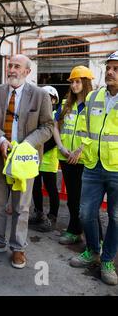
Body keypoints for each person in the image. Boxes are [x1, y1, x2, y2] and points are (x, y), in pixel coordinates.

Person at [0, 54, 53, 270]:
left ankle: (18, 247)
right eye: (9, 65)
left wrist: (25, 145)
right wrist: (1, 139)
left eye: (16, 66)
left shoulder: (40, 95)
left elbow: (48, 126)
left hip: (25, 161)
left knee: (21, 206)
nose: (11, 70)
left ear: (27, 72)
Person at [69, 51, 118, 286]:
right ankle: (92, 249)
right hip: (92, 165)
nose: (110, 72)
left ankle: (107, 260)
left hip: (117, 169)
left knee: (116, 217)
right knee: (85, 213)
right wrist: (83, 147)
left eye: (116, 69)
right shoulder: (93, 98)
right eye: (108, 67)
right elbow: (89, 130)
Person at [51, 66, 97, 245]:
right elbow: (55, 125)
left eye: (78, 82)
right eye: (72, 82)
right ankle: (74, 230)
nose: (74, 85)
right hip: (66, 157)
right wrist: (61, 147)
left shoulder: (93, 105)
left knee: (85, 202)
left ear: (86, 83)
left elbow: (95, 132)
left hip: (84, 159)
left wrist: (80, 151)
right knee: (71, 199)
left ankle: (95, 240)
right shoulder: (65, 104)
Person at [29, 85, 60, 232]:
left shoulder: (55, 116)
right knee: (35, 187)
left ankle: (52, 216)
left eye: (49, 98)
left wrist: (40, 148)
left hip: (49, 160)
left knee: (51, 188)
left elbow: (54, 139)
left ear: (54, 100)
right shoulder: (38, 115)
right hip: (36, 159)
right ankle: (39, 213)